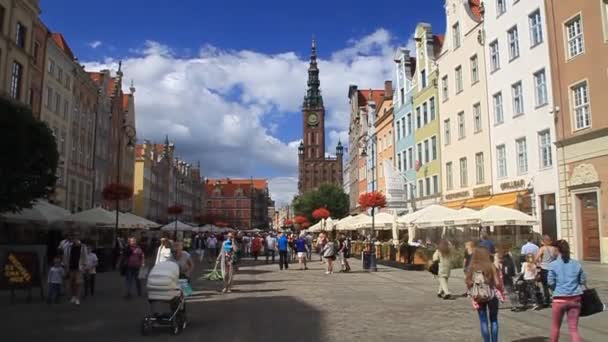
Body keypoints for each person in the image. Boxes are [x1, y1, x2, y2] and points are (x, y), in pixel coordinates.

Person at [548, 240, 587, 342]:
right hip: (575, 299)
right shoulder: (576, 264)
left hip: (559, 299)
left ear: (557, 250)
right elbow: (583, 281)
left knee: (555, 327)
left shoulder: (553, 265)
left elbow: (550, 282)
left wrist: (556, 289)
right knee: (573, 330)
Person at [466, 248, 503, 342]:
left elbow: (468, 283)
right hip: (492, 295)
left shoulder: (472, 267)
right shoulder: (491, 266)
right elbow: (498, 283)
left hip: (478, 297)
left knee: (483, 321)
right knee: (494, 320)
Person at [536, 234, 558, 308]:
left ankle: (547, 300)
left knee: (545, 285)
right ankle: (556, 298)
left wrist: (537, 263)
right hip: (553, 269)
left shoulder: (542, 248)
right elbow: (558, 258)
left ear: (543, 241)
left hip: (544, 268)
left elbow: (536, 258)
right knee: (553, 284)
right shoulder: (555, 249)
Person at [66, 237, 87, 305]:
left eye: (75, 239)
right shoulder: (69, 246)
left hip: (79, 268)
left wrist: (84, 267)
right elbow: (66, 256)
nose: (73, 241)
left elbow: (85, 257)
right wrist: (66, 266)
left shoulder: (83, 247)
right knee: (71, 283)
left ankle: (78, 298)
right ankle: (73, 296)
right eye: (73, 239)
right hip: (71, 267)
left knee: (78, 283)